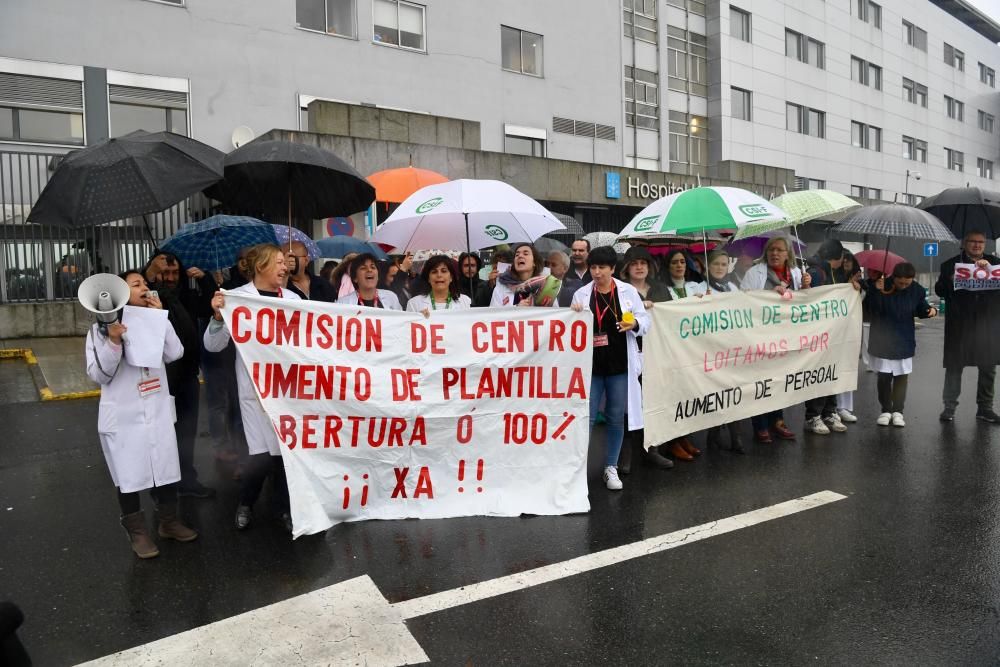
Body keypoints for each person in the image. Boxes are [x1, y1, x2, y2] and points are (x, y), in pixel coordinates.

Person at [86, 270, 198, 558]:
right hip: (124, 416)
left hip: (156, 408)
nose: (145, 288)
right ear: (121, 295)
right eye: (137, 285)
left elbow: (175, 352)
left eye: (145, 283)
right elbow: (100, 374)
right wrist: (113, 341)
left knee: (165, 467)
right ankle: (137, 532)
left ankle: (168, 523)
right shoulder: (99, 330)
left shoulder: (153, 321)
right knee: (129, 474)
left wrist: (162, 319)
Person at [204, 244, 301, 532]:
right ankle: (246, 502)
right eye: (279, 262)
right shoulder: (237, 300)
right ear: (260, 267)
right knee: (260, 457)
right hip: (253, 392)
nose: (286, 267)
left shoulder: (294, 299)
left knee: (286, 455)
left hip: (288, 391)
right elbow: (213, 345)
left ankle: (285, 509)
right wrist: (218, 318)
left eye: (286, 263)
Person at [570, 246, 650, 491]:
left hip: (619, 364)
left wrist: (635, 323)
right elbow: (571, 330)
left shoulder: (628, 292)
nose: (597, 272)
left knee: (616, 417)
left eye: (602, 267)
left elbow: (645, 320)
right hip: (591, 366)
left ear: (613, 269)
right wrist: (573, 315)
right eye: (593, 267)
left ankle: (610, 467)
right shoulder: (582, 295)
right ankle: (577, 468)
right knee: (588, 417)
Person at [741, 237, 811, 443]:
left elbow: (803, 304)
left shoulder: (797, 274)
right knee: (761, 380)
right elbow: (744, 301)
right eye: (771, 249)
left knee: (779, 379)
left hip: (786, 336)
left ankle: (777, 420)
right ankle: (760, 425)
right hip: (761, 336)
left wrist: (806, 288)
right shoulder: (754, 273)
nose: (775, 253)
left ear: (788, 254)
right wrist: (768, 295)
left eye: (780, 250)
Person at [616, 246, 674, 471]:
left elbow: (673, 316)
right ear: (626, 268)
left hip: (658, 353)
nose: (639, 267)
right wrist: (640, 312)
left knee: (655, 400)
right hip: (632, 354)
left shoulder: (660, 289)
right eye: (634, 263)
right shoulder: (622, 291)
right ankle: (626, 452)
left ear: (649, 267)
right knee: (630, 404)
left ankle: (652, 449)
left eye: (643, 263)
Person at [935, 231, 1000, 423]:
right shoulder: (950, 264)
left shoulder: (995, 264)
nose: (977, 245)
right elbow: (939, 291)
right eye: (973, 241)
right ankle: (949, 407)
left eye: (981, 242)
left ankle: (985, 408)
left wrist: (989, 270)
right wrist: (950, 278)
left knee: (988, 367)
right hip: (959, 326)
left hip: (988, 324)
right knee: (955, 367)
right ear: (964, 243)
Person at [864, 263, 938, 427]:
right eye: (900, 283)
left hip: (903, 337)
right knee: (884, 377)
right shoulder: (881, 285)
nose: (904, 286)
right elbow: (868, 309)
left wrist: (930, 311)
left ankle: (898, 411)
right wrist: (875, 290)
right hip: (882, 337)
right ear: (894, 277)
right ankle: (885, 410)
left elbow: (920, 308)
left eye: (907, 283)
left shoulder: (917, 290)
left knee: (901, 376)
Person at [697, 249, 748, 453]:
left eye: (723, 264)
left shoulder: (733, 287)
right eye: (716, 264)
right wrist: (702, 301)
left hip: (732, 349)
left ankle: (736, 436)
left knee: (734, 391)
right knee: (716, 393)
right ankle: (714, 434)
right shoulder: (698, 287)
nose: (719, 268)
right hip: (710, 351)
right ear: (708, 266)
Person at [659, 248, 707, 460]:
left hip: (692, 348)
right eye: (674, 263)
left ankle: (684, 436)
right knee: (673, 395)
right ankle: (672, 441)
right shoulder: (662, 289)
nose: (679, 266)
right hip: (671, 349)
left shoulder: (695, 287)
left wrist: (704, 300)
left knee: (688, 394)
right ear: (668, 267)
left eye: (682, 262)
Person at [801, 239, 851, 435]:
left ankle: (829, 412)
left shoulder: (832, 273)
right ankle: (813, 416)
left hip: (832, 333)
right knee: (819, 375)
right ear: (836, 258)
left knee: (831, 372)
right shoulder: (816, 273)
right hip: (818, 334)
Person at [836, 251, 861, 423]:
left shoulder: (859, 281)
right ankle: (834, 407)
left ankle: (845, 406)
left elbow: (862, 302)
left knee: (848, 366)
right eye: (843, 261)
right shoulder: (833, 278)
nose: (845, 264)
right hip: (834, 329)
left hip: (850, 329)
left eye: (848, 261)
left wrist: (857, 288)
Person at [490, 244, 559, 307]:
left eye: (525, 254)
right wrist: (516, 310)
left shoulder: (546, 287)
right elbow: (493, 317)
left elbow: (555, 317)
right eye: (517, 255)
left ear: (534, 262)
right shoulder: (501, 288)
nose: (520, 256)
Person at [406, 255, 472, 313]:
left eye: (444, 271)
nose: (439, 275)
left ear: (451, 277)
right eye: (434, 272)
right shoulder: (414, 304)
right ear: (428, 278)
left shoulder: (465, 301)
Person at [337, 253, 403, 309]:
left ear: (378, 276)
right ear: (355, 278)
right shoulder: (343, 303)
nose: (369, 270)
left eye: (373, 267)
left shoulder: (391, 297)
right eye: (363, 268)